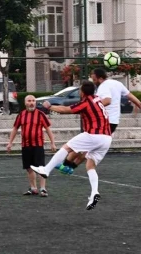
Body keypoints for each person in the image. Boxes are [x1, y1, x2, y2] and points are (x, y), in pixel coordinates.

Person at [31, 81, 112, 210]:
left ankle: (46, 170)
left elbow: (66, 109)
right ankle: (94, 193)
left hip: (94, 135)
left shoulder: (86, 102)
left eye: (80, 90)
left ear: (83, 92)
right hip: (107, 139)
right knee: (90, 165)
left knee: (67, 147)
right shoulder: (97, 99)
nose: (79, 92)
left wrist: (49, 106)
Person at [56, 67, 141, 174]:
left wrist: (92, 107)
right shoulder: (117, 83)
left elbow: (107, 100)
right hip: (113, 122)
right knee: (89, 148)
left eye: (93, 78)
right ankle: (71, 167)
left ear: (100, 78)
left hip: (102, 121)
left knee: (82, 143)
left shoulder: (103, 86)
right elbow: (130, 96)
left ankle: (65, 165)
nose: (92, 80)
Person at [7, 95, 56, 197]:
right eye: (29, 101)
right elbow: (15, 128)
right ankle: (33, 188)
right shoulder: (21, 115)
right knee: (29, 168)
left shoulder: (41, 114)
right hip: (26, 145)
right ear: (25, 103)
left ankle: (43, 189)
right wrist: (10, 143)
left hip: (38, 145)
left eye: (33, 101)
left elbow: (48, 129)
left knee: (41, 167)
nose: (31, 103)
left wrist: (52, 142)